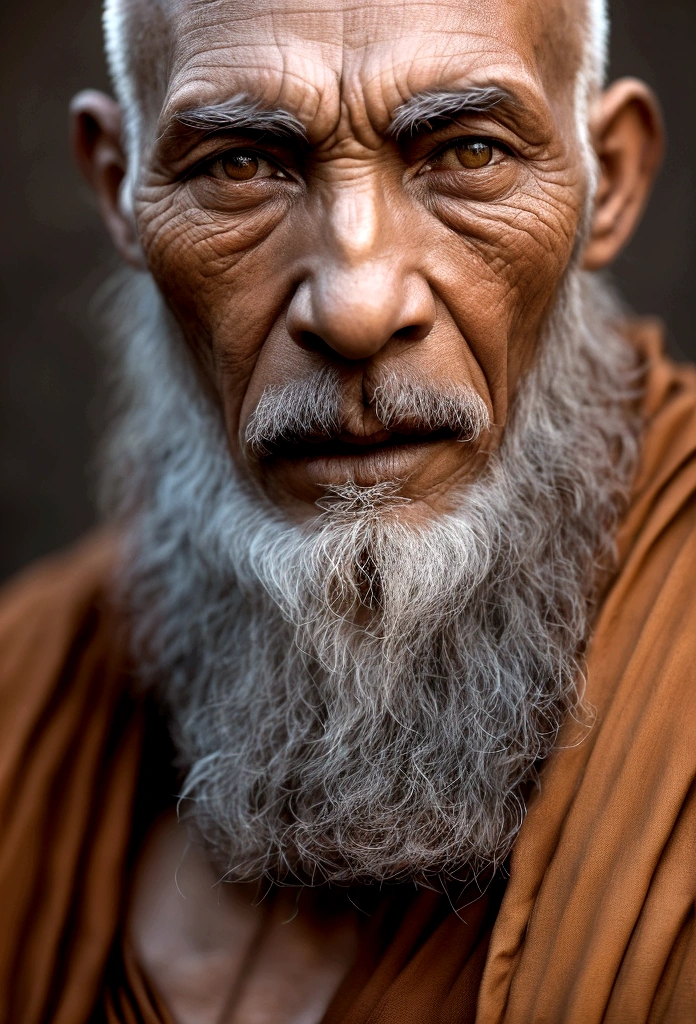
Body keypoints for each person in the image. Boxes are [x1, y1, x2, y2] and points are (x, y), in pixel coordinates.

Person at [2, 0, 695, 1019]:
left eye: (467, 151)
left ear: (612, 176)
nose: (358, 305)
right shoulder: (24, 697)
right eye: (241, 166)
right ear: (120, 188)